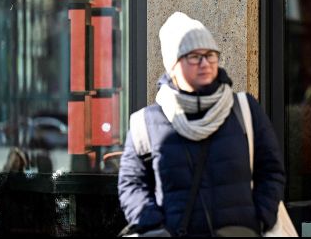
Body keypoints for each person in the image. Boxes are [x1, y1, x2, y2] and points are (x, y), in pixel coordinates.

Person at [118, 12, 285, 236]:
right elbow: (132, 184)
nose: (205, 63)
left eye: (210, 55)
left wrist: (259, 220)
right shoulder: (146, 123)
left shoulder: (243, 109)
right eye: (194, 56)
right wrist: (154, 227)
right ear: (173, 65)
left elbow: (271, 171)